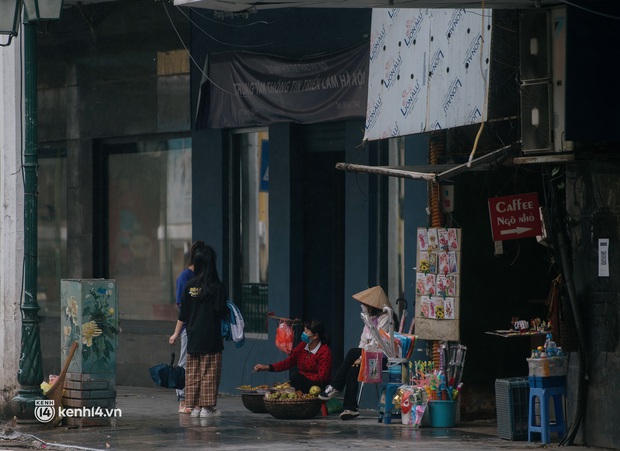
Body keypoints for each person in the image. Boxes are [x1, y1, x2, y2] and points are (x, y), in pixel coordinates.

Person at [169, 245, 229, 419]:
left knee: (193, 372)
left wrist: (175, 334)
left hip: (193, 336)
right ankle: (207, 408)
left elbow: (183, 314)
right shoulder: (216, 286)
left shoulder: (190, 286)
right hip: (211, 336)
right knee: (209, 372)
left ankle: (194, 407)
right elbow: (220, 310)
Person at [319, 286, 395, 420]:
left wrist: (361, 357)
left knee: (353, 352)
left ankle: (336, 386)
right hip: (367, 355)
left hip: (383, 356)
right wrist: (359, 358)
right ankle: (350, 408)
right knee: (352, 368)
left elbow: (378, 341)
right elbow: (363, 341)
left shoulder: (386, 319)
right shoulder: (369, 320)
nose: (363, 306)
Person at [253, 320, 332, 394]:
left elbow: (323, 376)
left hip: (316, 385)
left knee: (296, 377)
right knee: (294, 378)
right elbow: (288, 362)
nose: (303, 333)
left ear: (315, 336)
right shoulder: (302, 346)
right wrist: (267, 367)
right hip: (301, 381)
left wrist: (304, 377)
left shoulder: (324, 351)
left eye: (306, 332)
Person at [174, 240, 206, 414]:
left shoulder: (205, 276)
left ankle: (195, 399)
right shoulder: (185, 277)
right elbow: (182, 305)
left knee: (200, 365)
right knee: (185, 362)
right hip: (189, 326)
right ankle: (182, 398)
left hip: (202, 327)